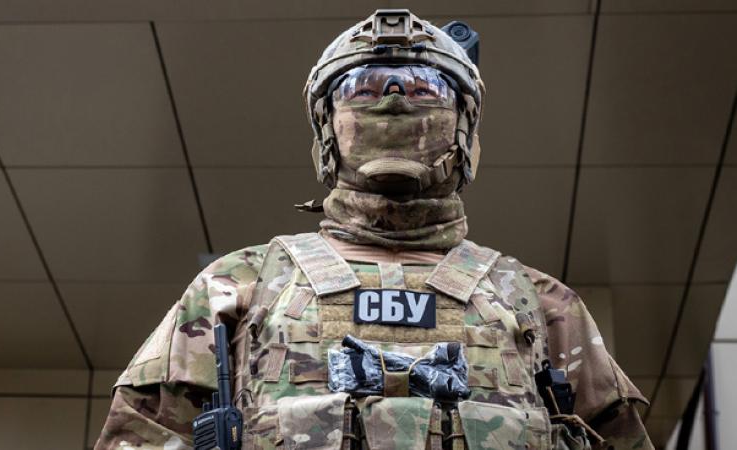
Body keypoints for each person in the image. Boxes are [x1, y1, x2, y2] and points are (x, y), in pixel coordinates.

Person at [96, 9, 653, 450]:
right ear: (327, 130)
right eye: (362, 89)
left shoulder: (541, 304)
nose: (392, 101)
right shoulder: (236, 287)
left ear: (464, 128)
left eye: (423, 89)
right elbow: (142, 433)